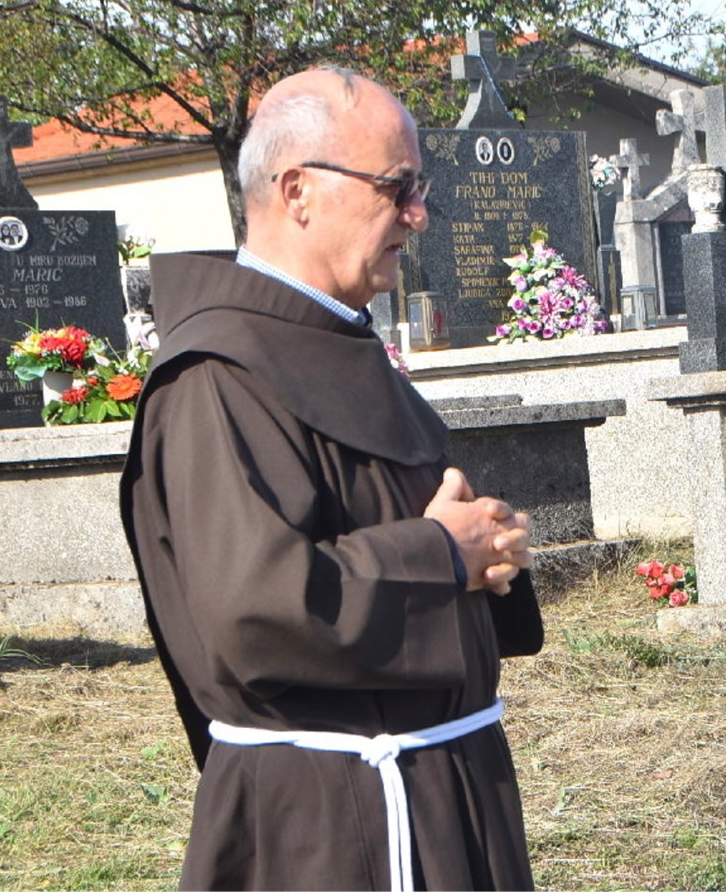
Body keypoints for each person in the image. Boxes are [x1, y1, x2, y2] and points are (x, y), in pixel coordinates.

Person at [119, 65, 542, 891]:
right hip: (329, 823)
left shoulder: (341, 345)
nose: (417, 215)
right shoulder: (216, 376)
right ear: (298, 191)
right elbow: (255, 608)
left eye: (418, 187)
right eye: (397, 187)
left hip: (441, 791)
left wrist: (487, 552)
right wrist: (440, 556)